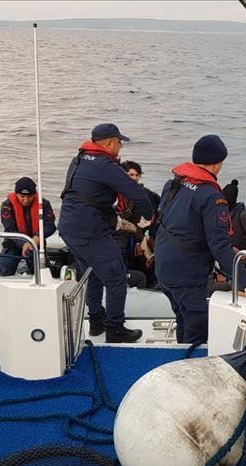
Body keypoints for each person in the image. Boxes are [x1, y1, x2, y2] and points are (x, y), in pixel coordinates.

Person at [58, 123, 154, 343]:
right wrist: (148, 216)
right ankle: (115, 329)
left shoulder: (79, 159)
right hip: (89, 231)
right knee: (116, 278)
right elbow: (135, 192)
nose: (121, 146)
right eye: (119, 142)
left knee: (92, 274)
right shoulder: (104, 165)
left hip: (69, 227)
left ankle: (96, 322)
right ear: (110, 142)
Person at [155, 134, 246, 345]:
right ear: (218, 163)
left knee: (182, 317)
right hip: (187, 275)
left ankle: (181, 350)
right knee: (197, 329)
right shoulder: (212, 197)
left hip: (164, 266)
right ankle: (188, 360)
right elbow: (220, 246)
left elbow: (167, 220)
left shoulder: (173, 183)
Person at [0, 177, 55, 276]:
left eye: (29, 196)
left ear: (34, 194)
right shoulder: (7, 205)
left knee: (42, 273)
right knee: (3, 270)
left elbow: (50, 226)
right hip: (13, 243)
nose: (26, 200)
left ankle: (31, 266)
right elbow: (10, 229)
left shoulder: (44, 204)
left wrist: (37, 237)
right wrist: (25, 243)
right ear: (16, 194)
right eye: (22, 196)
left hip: (36, 244)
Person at [115, 160, 159, 289]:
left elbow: (154, 216)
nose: (134, 178)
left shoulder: (146, 195)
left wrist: (142, 240)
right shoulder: (114, 194)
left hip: (137, 236)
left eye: (137, 175)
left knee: (143, 266)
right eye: (130, 174)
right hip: (122, 234)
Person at [222, 179, 246, 254]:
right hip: (230, 251)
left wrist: (240, 249)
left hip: (244, 254)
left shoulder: (243, 216)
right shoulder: (226, 213)